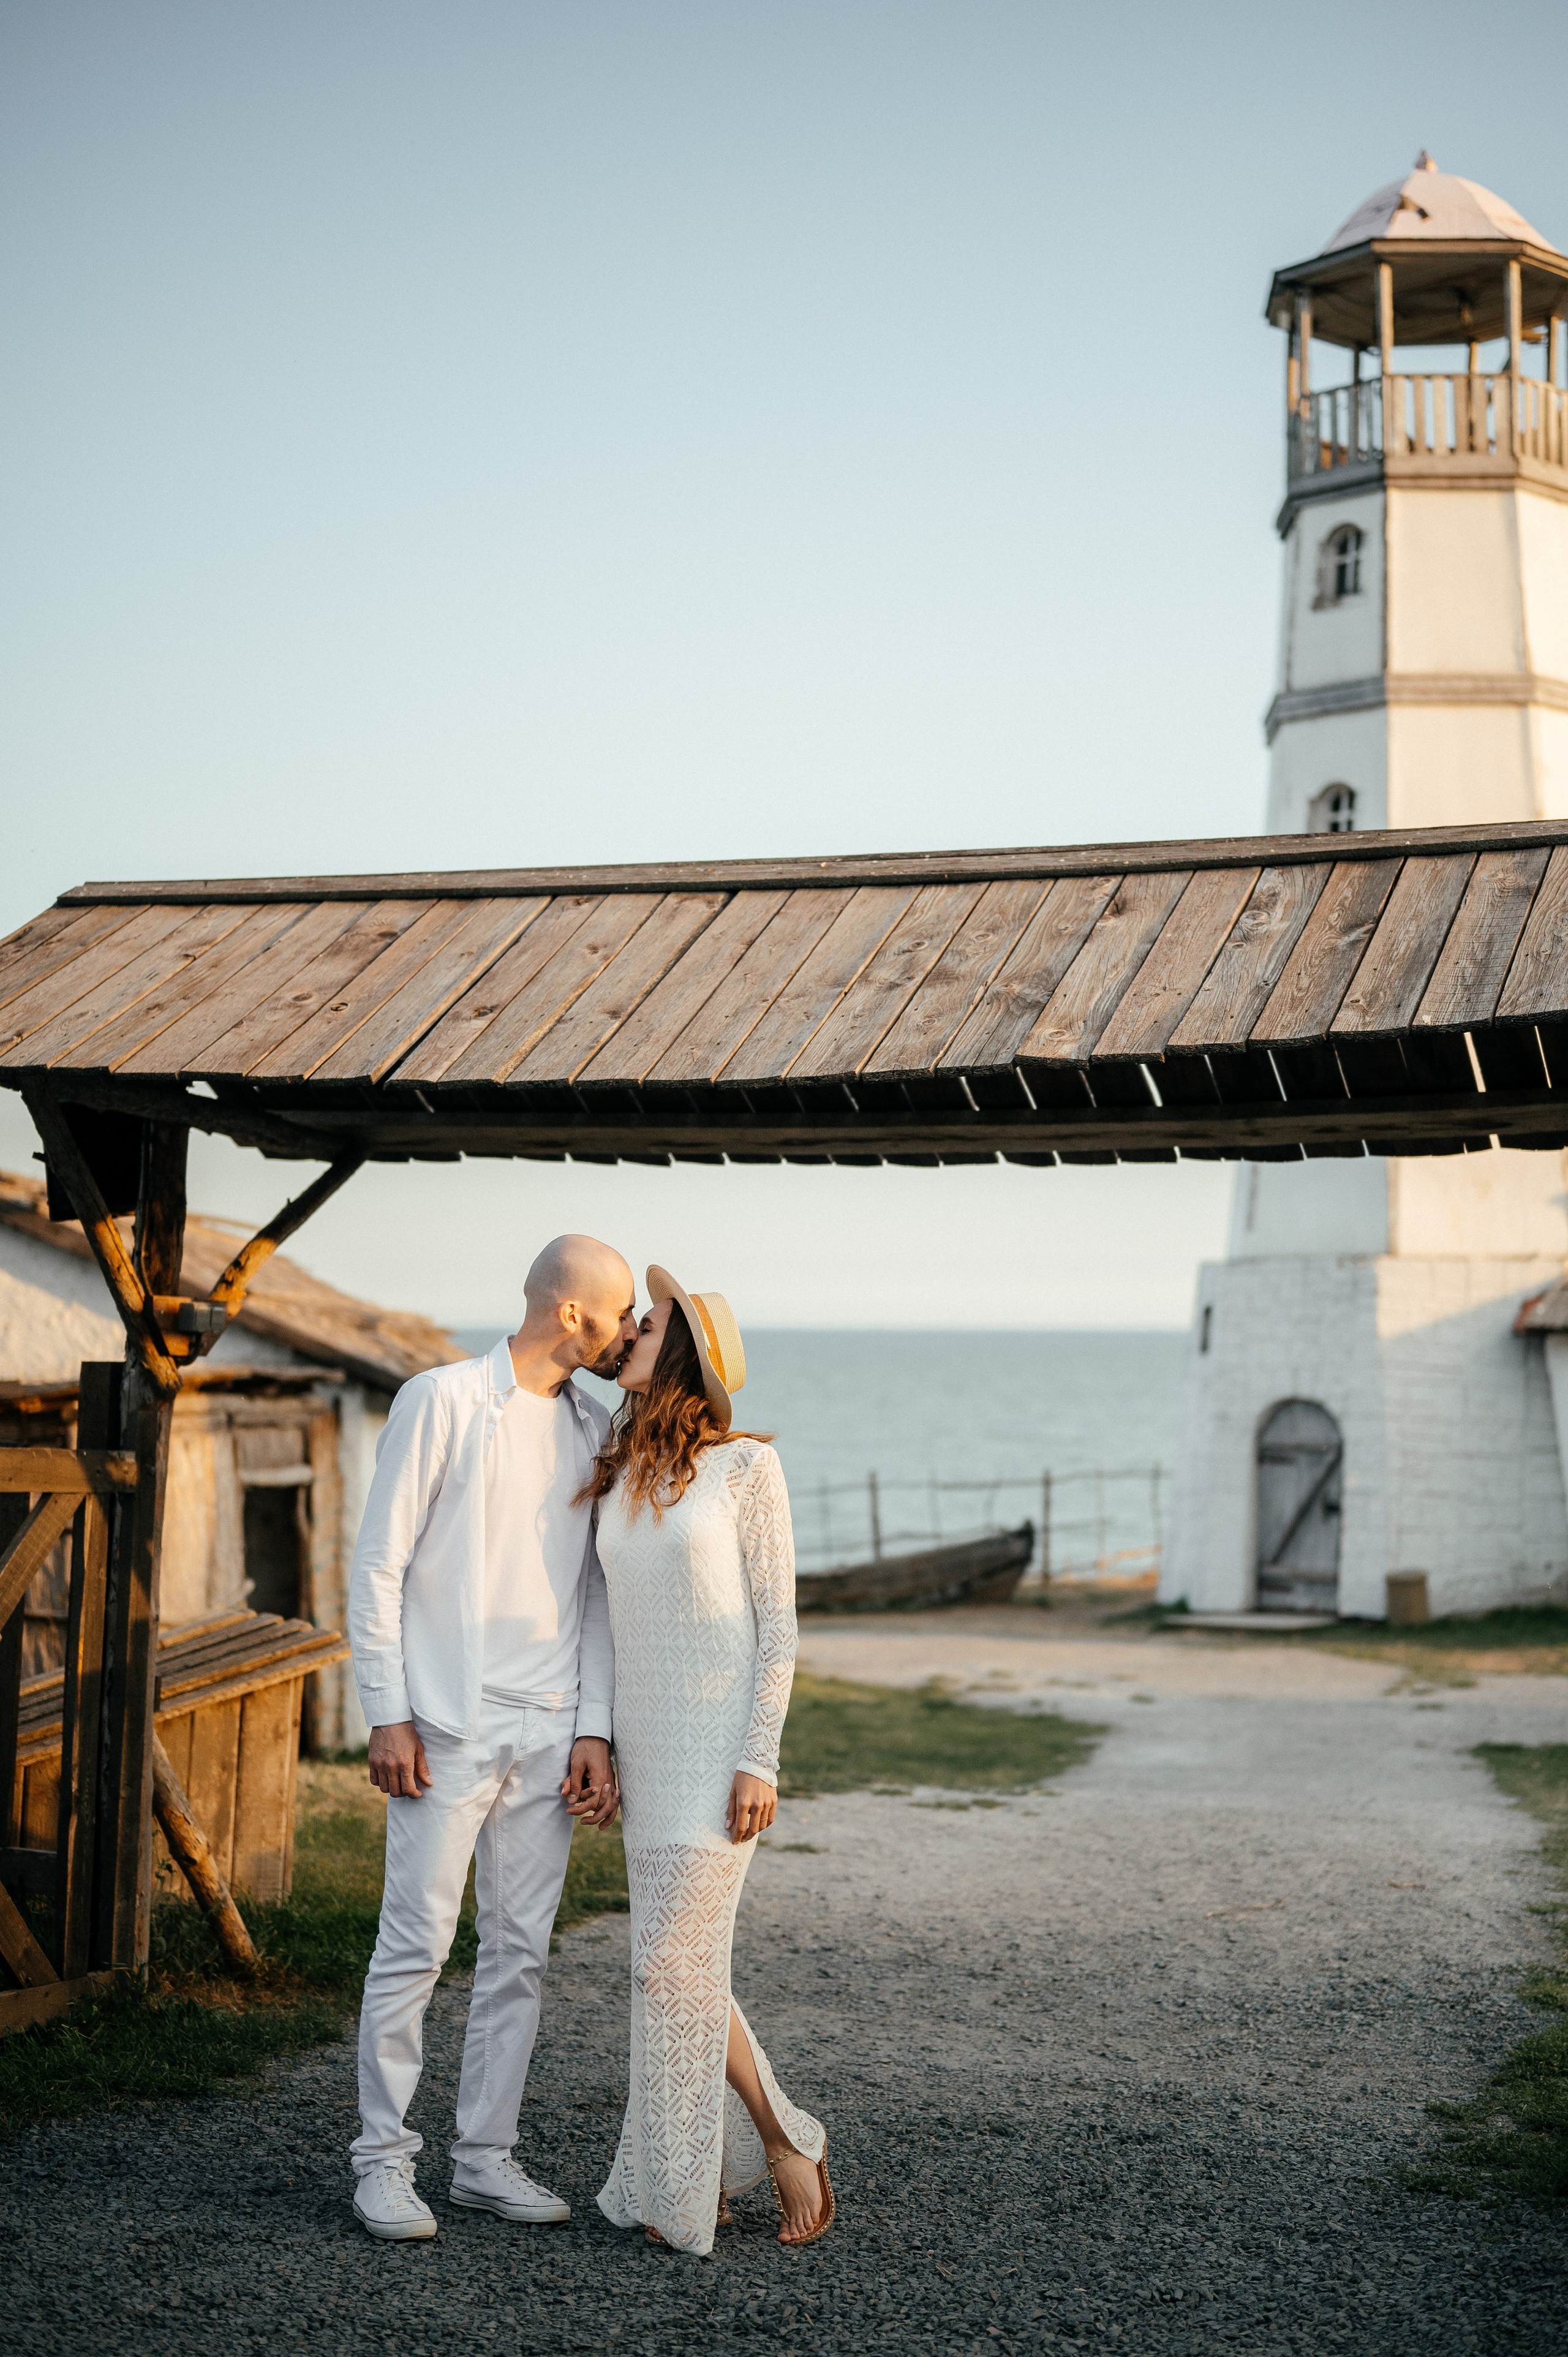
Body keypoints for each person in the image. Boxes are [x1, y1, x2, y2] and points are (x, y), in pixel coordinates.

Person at [344, 1233, 637, 2242]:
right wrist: (386, 1711)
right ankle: (383, 2163)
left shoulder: (595, 1423)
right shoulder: (440, 1400)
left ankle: (482, 2159)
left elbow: (595, 1591)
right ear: (572, 1312)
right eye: (619, 1312)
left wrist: (592, 1729)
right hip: (444, 1726)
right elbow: (379, 1565)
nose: (627, 1331)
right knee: (414, 1948)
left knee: (520, 1954)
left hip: (548, 1732)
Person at [587, 1267, 834, 2255]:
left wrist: (758, 1759)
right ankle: (734, 2160)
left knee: (665, 1967)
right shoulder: (620, 1469)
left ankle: (763, 2147)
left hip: (719, 1750)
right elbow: (604, 1621)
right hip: (647, 1753)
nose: (630, 1335)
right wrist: (599, 1741)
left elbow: (779, 1630)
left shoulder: (747, 1470)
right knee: (677, 1970)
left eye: (647, 1326)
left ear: (684, 1352)